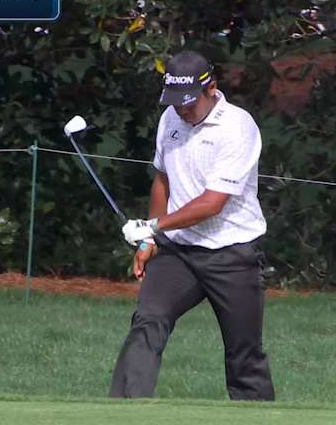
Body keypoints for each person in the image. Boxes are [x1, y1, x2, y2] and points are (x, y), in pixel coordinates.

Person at [109, 51, 275, 400]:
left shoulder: (237, 126)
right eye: (174, 102)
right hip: (178, 252)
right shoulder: (171, 118)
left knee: (243, 354)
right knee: (147, 323)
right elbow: (163, 180)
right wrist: (149, 240)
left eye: (187, 103)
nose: (181, 110)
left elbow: (212, 203)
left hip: (232, 253)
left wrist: (152, 225)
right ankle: (125, 414)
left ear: (211, 88)